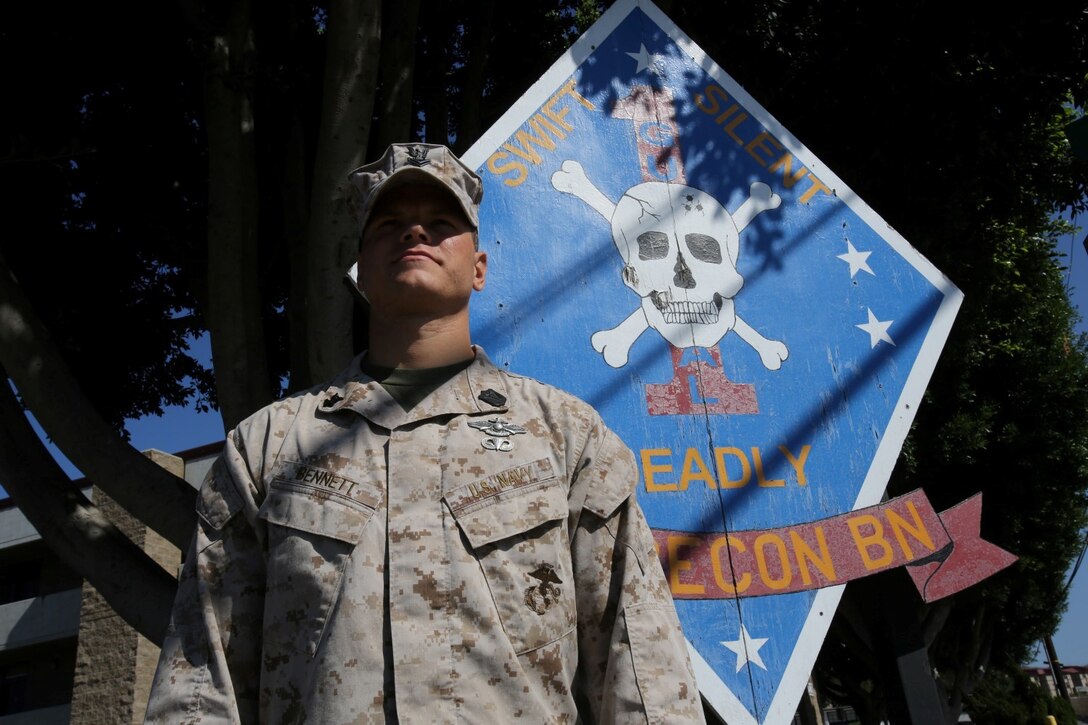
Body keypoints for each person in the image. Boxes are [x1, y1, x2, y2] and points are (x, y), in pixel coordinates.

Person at [144, 143, 705, 724]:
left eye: (441, 223)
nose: (414, 231)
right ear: (359, 270)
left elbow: (640, 664)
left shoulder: (566, 437)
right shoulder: (267, 447)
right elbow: (201, 682)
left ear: (480, 268)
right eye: (389, 223)